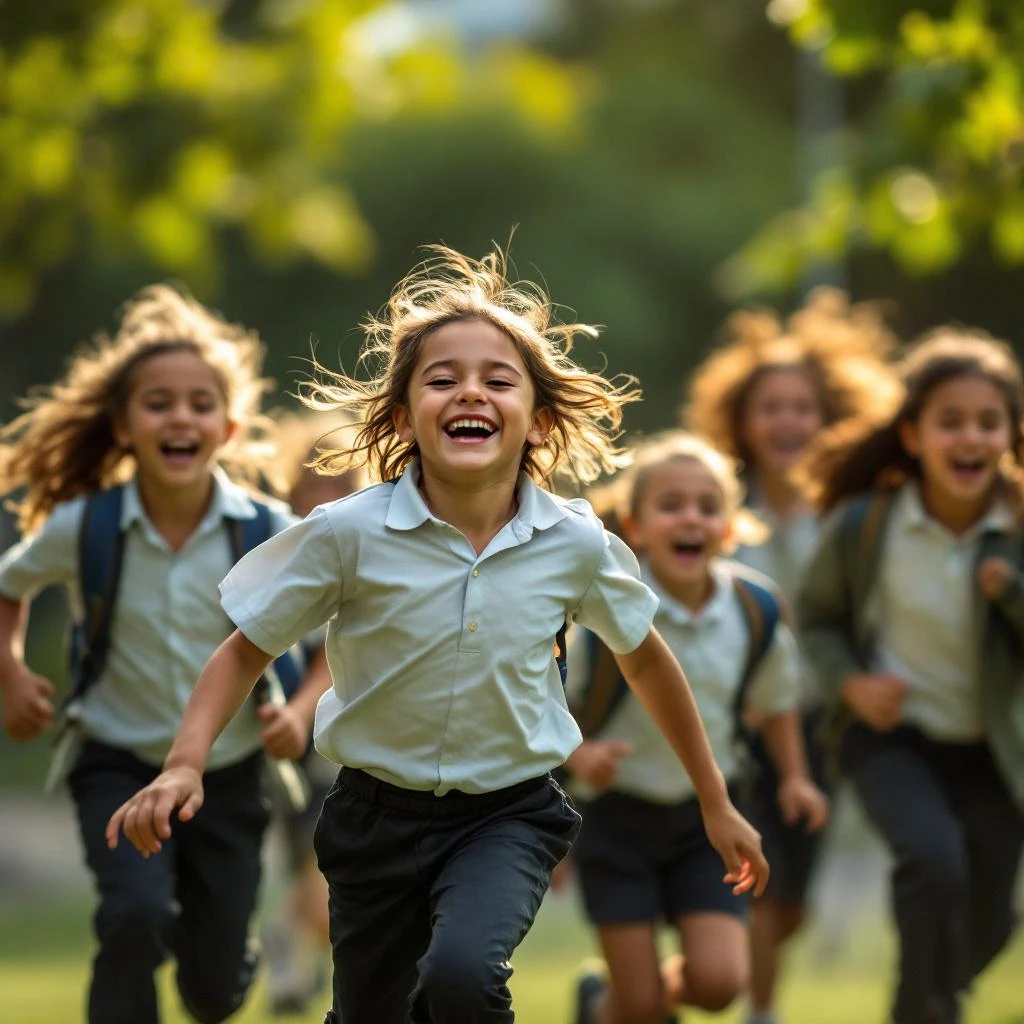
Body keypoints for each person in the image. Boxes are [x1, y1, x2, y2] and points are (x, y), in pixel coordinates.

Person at [104, 245, 770, 1024]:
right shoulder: (347, 534)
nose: (470, 394)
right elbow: (246, 649)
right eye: (443, 379)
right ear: (402, 415)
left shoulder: (575, 542)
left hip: (507, 814)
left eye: (497, 379)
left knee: (461, 979)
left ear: (538, 417)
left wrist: (715, 802)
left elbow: (649, 665)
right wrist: (184, 765)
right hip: (372, 820)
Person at [0, 285, 331, 1024]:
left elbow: (337, 640)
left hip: (233, 770)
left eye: (199, 403)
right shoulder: (85, 526)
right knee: (133, 918)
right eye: (158, 403)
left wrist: (303, 711)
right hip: (116, 759)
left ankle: (224, 959)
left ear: (229, 424)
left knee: (212, 991)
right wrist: (12, 671)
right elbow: (7, 588)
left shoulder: (271, 530)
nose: (180, 416)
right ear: (122, 426)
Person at [684, 287, 900, 1024]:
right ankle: (761, 1011)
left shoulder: (857, 513)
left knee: (795, 897)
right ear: (741, 421)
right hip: (740, 725)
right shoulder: (713, 510)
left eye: (802, 406)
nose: (787, 421)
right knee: (760, 878)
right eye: (770, 407)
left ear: (829, 417)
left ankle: (682, 985)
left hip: (826, 722)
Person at [796, 328, 1024, 1024]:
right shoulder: (870, 524)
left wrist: (1011, 593)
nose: (970, 437)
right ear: (914, 435)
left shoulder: (1016, 533)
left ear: (1011, 436)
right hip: (891, 737)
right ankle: (920, 1010)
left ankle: (929, 995)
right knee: (931, 859)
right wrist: (853, 686)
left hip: (993, 750)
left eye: (989, 422)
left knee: (987, 918)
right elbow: (817, 620)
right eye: (950, 421)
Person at [564, 432, 828, 1024]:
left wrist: (795, 778)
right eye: (671, 504)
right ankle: (604, 1005)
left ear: (730, 528)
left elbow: (779, 699)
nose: (691, 518)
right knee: (636, 1006)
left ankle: (640, 999)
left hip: (707, 819)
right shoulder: (608, 606)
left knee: (717, 984)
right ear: (634, 524)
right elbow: (554, 703)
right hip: (617, 817)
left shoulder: (755, 610)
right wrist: (579, 756)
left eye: (708, 507)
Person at [261, 408, 367, 1016]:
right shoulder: (268, 556)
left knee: (327, 859)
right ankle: (290, 940)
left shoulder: (364, 555)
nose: (325, 498)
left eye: (340, 486)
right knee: (306, 857)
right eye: (314, 484)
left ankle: (290, 943)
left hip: (341, 732)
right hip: (280, 733)